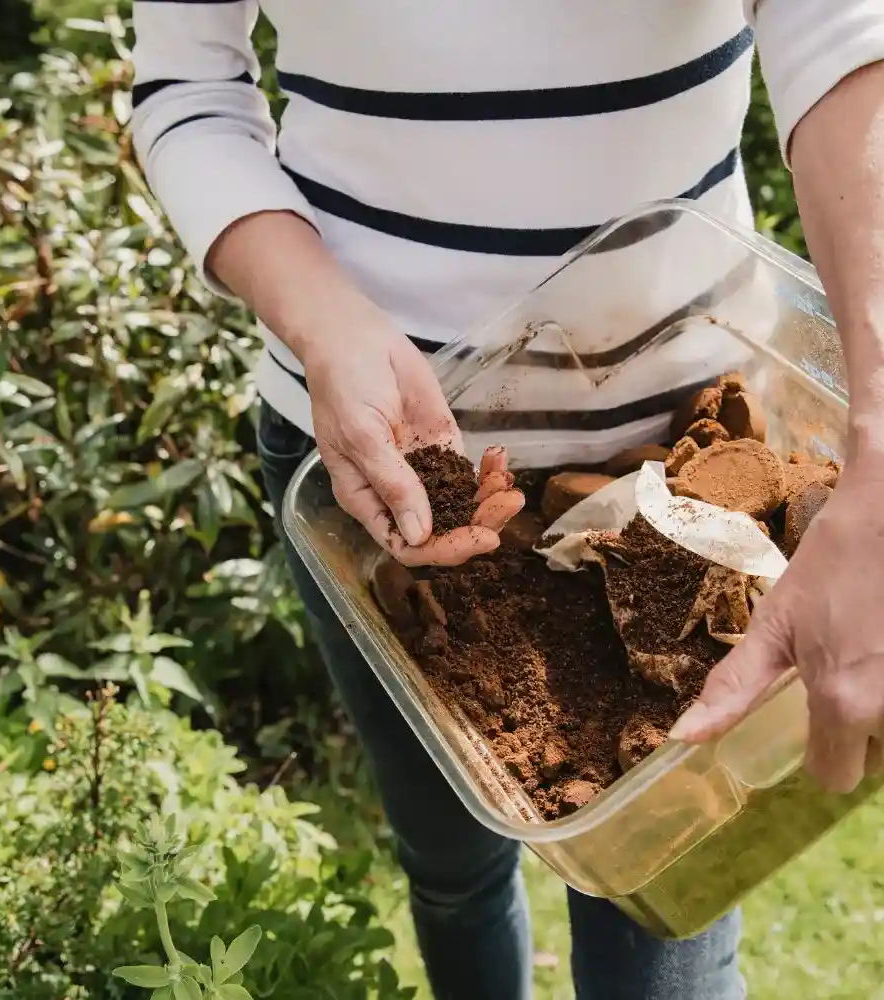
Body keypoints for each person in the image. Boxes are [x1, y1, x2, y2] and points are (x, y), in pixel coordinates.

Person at [130, 2, 884, 997]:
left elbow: (837, 32)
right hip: (382, 471)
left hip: (688, 461)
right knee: (451, 867)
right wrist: (323, 325)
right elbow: (186, 90)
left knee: (666, 930)